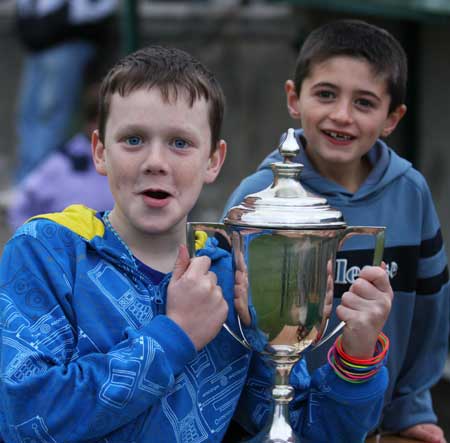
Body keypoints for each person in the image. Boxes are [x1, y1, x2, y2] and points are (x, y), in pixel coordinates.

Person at [0, 45, 393, 443]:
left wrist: (356, 355)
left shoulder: (232, 273)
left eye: (180, 143)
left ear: (213, 160)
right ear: (100, 151)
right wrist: (176, 334)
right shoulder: (48, 251)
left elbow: (299, 430)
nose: (156, 161)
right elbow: (21, 418)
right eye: (133, 140)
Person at [222, 19, 450, 443]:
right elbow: (229, 324)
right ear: (294, 98)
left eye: (364, 102)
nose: (341, 115)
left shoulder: (411, 192)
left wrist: (411, 408)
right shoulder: (254, 198)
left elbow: (429, 316)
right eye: (326, 94)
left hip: (376, 424)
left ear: (392, 118)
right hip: (265, 421)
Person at [13, 0, 119, 183]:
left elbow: (95, 9)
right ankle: (28, 180)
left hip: (67, 38)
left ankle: (39, 182)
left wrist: (62, 18)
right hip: (37, 40)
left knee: (49, 116)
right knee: (29, 114)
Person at [7, 84, 114, 231]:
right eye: (104, 122)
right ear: (90, 123)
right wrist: (35, 244)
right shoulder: (61, 163)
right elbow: (21, 207)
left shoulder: (130, 161)